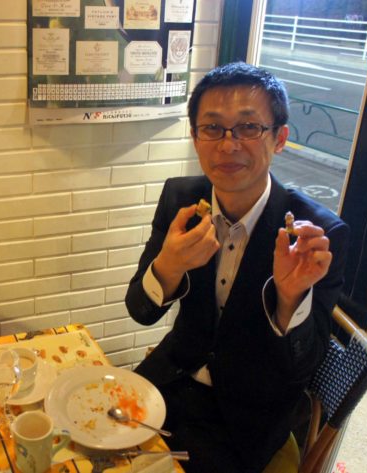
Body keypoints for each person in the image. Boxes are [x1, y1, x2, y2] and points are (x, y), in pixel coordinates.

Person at [125, 63, 350, 472]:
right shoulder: (181, 199)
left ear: (279, 138)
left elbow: (302, 366)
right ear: (195, 137)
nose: (228, 145)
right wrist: (168, 266)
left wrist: (289, 299)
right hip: (170, 381)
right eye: (212, 128)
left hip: (248, 418)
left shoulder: (313, 235)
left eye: (248, 127)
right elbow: (141, 311)